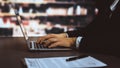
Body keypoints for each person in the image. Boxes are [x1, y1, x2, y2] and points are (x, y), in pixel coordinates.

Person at [37, 0, 120, 56]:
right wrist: (65, 35)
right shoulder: (110, 5)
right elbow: (91, 30)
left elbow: (115, 44)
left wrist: (73, 41)